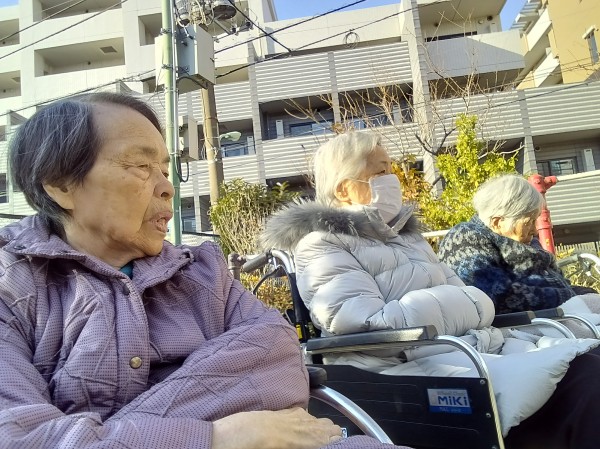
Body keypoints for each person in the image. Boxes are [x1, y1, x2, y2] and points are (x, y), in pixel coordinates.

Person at [0, 93, 408, 449]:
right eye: (141, 166)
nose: (167, 188)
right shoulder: (12, 286)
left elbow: (278, 359)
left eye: (165, 170)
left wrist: (107, 436)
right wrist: (218, 437)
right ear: (61, 184)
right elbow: (17, 437)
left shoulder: (203, 273)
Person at [259, 131, 600, 449]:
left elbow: (477, 301)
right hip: (405, 367)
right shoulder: (321, 245)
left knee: (589, 362)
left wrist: (461, 305)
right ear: (346, 189)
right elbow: (363, 323)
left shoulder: (409, 238)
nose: (393, 178)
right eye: (381, 171)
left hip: (469, 347)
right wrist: (462, 304)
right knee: (585, 384)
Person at [438, 174, 599, 314]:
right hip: (519, 329)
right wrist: (570, 297)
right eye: (529, 222)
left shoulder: (528, 242)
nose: (535, 230)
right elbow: (498, 296)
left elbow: (562, 285)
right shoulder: (465, 238)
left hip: (556, 319)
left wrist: (585, 294)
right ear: (497, 222)